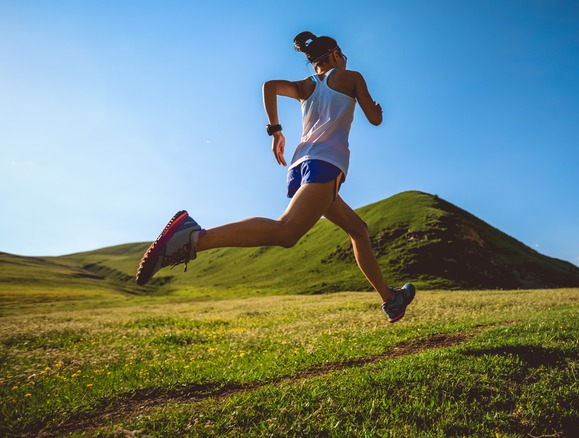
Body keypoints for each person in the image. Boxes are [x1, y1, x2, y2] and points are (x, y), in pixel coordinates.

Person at [135, 31, 415, 323]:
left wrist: (275, 130)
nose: (345, 60)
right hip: (327, 163)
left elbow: (269, 86)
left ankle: (391, 299)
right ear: (334, 54)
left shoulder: (306, 87)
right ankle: (193, 239)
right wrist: (376, 109)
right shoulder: (351, 77)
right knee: (287, 232)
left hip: (299, 167)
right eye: (343, 56)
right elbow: (375, 118)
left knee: (358, 229)